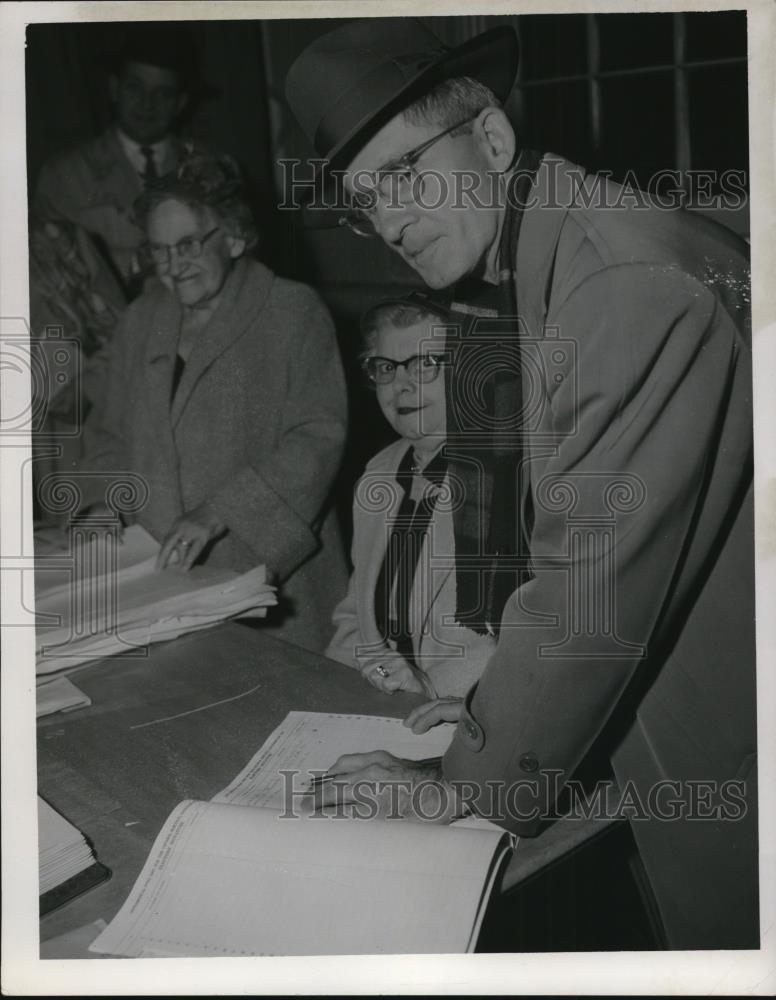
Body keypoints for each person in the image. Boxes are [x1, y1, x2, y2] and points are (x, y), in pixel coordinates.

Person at [284, 18, 757, 948]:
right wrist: (497, 692)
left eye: (406, 175)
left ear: (492, 138)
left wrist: (458, 784)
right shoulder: (516, 258)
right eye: (362, 202)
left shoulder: (617, 283)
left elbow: (588, 592)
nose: (388, 222)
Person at [75, 151, 348, 653]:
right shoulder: (139, 320)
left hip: (272, 584)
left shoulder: (292, 310)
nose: (173, 268)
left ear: (236, 235)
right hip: (159, 583)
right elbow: (108, 433)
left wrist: (219, 511)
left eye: (188, 245)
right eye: (159, 251)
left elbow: (317, 438)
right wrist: (99, 502)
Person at [325, 295, 496, 697]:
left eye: (426, 364)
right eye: (386, 367)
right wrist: (329, 689)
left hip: (473, 714)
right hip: (384, 706)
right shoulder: (378, 474)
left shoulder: (507, 478)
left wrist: (430, 687)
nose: (402, 384)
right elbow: (355, 618)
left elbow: (529, 633)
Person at [32, 22, 205, 295]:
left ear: (181, 103)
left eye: (163, 93)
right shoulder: (64, 175)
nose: (147, 104)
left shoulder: (210, 169)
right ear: (114, 88)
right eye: (135, 87)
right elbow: (49, 277)